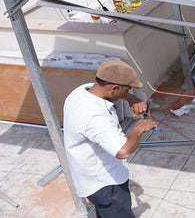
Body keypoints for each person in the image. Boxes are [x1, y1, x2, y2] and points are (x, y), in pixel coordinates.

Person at [63, 60, 157, 217]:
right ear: (114, 88)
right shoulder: (93, 116)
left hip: (92, 178)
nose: (128, 92)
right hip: (105, 184)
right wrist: (139, 128)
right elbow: (123, 151)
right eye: (127, 89)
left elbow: (110, 89)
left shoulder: (81, 91)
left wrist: (130, 97)